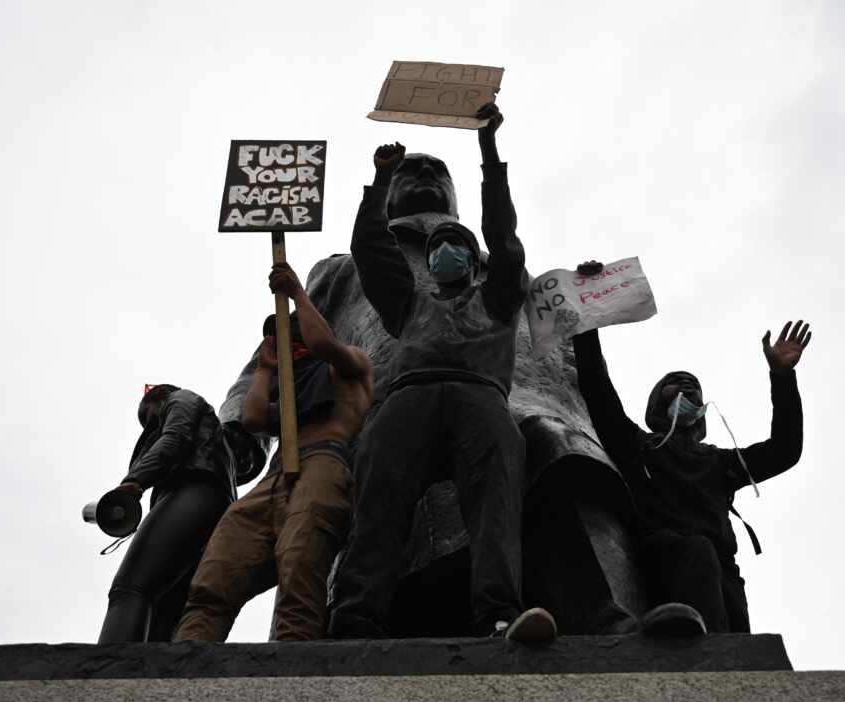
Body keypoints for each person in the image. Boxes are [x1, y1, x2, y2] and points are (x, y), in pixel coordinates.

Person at [328, 103, 556, 642]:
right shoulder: (407, 304)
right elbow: (370, 247)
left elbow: (502, 232)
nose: (445, 251)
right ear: (427, 263)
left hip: (481, 402)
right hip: (407, 401)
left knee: (496, 504)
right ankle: (357, 614)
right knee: (379, 500)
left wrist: (488, 150)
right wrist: (381, 180)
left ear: (470, 255)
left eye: (456, 244)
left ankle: (499, 614)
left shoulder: (498, 296)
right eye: (436, 248)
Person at [572, 285, 810, 634]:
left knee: (743, 651)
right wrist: (588, 320)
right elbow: (596, 386)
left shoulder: (721, 463)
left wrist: (783, 377)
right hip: (661, 560)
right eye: (675, 385)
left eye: (692, 386)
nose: (685, 388)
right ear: (656, 406)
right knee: (697, 555)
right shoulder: (637, 447)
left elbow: (786, 449)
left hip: (722, 572)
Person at [173, 263, 374, 642]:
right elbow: (253, 418)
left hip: (322, 464)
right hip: (274, 479)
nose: (290, 342)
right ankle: (190, 656)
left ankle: (292, 665)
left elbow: (321, 345)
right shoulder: (292, 392)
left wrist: (298, 293)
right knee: (216, 573)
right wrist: (266, 368)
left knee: (301, 569)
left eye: (292, 332)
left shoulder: (349, 365)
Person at [96, 383, 235, 643]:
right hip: (206, 499)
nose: (148, 425)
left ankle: (111, 675)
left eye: (146, 416)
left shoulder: (180, 398)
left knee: (130, 588)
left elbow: (175, 437)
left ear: (155, 398)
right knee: (165, 609)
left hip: (194, 489)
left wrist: (134, 481)